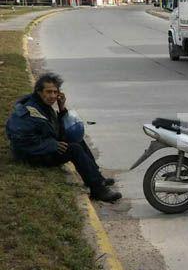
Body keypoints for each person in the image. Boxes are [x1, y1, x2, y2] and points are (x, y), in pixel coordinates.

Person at [5, 73, 122, 203]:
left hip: (43, 147)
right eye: (48, 92)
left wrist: (62, 109)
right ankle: (98, 190)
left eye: (55, 92)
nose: (53, 96)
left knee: (75, 138)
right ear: (39, 92)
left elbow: (57, 131)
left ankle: (98, 178)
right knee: (74, 149)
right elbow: (21, 141)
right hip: (32, 155)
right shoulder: (28, 111)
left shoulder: (44, 107)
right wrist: (51, 145)